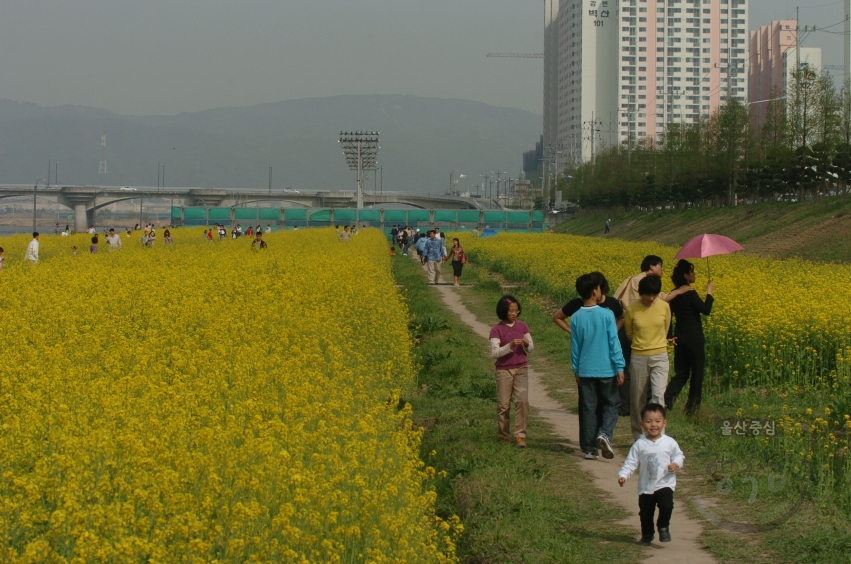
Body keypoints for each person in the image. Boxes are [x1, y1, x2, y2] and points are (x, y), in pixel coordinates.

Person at [554, 272, 628, 453]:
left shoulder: (577, 317)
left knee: (588, 408)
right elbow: (614, 342)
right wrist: (620, 366)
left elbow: (575, 347)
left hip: (586, 370)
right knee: (611, 405)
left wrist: (576, 370)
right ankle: (604, 433)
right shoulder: (607, 314)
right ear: (595, 291)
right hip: (606, 370)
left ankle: (589, 449)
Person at [613, 256, 688, 415]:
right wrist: (679, 291)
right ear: (652, 266)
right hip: (637, 336)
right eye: (660, 266)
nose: (662, 270)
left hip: (649, 343)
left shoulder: (639, 281)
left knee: (634, 376)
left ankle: (634, 410)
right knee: (629, 373)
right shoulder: (641, 282)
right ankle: (630, 408)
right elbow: (651, 302)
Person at [618, 403, 684, 545]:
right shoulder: (640, 444)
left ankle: (663, 526)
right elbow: (631, 462)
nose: (653, 425)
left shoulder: (669, 442)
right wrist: (623, 475)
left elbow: (679, 456)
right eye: (648, 422)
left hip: (665, 483)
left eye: (657, 421)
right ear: (642, 424)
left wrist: (676, 464)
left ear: (664, 423)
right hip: (646, 486)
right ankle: (647, 535)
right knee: (645, 513)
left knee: (667, 506)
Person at [624, 276, 672, 440]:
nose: (651, 298)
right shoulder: (632, 309)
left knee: (659, 395)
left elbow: (665, 329)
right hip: (639, 357)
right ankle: (638, 435)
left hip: (660, 356)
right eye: (647, 295)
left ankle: (659, 435)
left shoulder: (664, 306)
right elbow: (629, 333)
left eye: (654, 294)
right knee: (638, 397)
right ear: (640, 293)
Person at [665, 260, 714, 415]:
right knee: (697, 373)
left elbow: (668, 315)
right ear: (686, 275)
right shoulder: (690, 293)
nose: (694, 274)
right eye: (692, 271)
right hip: (694, 338)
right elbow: (706, 310)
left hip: (680, 337)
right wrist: (709, 292)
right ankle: (692, 409)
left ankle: (666, 400)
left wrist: (670, 335)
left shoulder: (674, 293)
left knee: (681, 373)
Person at [489, 295, 534, 447]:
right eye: (510, 311)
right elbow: (495, 353)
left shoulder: (523, 326)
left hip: (521, 368)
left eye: (516, 310)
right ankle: (503, 435)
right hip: (503, 371)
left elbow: (532, 348)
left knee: (522, 401)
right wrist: (510, 345)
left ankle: (520, 435)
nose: (514, 314)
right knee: (503, 405)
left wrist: (527, 344)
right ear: (503, 312)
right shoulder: (497, 330)